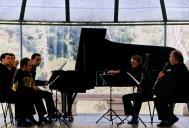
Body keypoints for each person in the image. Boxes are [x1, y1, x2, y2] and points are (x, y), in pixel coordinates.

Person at [107, 55, 153, 125]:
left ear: (139, 62)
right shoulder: (135, 69)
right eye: (131, 62)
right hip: (140, 93)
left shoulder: (144, 71)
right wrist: (115, 72)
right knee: (136, 99)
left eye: (133, 62)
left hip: (146, 93)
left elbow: (148, 84)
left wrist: (143, 82)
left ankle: (134, 116)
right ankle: (134, 118)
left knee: (125, 97)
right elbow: (125, 71)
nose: (131, 64)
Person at [153, 50, 189, 127]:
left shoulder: (180, 67)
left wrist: (162, 76)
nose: (169, 58)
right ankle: (166, 119)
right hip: (174, 92)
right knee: (158, 99)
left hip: (181, 94)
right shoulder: (174, 67)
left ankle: (169, 118)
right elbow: (169, 79)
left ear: (175, 58)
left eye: (170, 56)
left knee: (160, 99)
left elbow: (172, 80)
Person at [13, 57, 50, 126]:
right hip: (19, 93)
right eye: (30, 65)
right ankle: (29, 118)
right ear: (24, 66)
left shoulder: (28, 73)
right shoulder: (18, 72)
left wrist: (34, 87)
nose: (31, 67)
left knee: (37, 94)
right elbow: (18, 86)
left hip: (26, 92)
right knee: (32, 95)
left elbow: (31, 83)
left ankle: (40, 116)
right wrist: (32, 87)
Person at [30, 53, 58, 120]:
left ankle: (50, 114)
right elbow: (31, 82)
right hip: (29, 91)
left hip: (32, 89)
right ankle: (50, 114)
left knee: (48, 94)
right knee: (47, 94)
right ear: (32, 60)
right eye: (37, 60)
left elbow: (33, 81)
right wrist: (43, 83)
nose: (39, 61)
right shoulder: (30, 68)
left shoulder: (33, 68)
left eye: (40, 60)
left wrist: (44, 82)